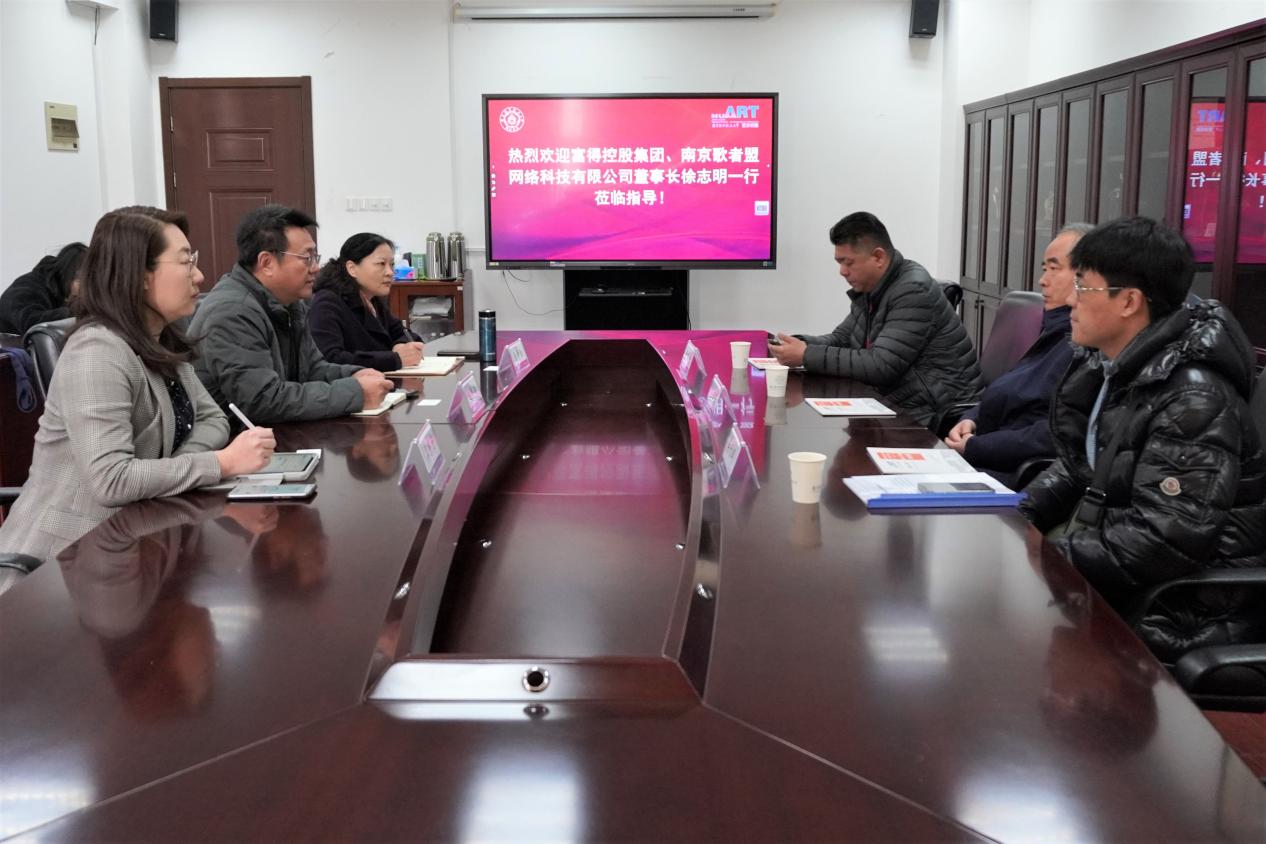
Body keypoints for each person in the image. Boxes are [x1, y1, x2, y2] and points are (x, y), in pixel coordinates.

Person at [1020, 216, 1266, 663]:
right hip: (1125, 576)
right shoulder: (1120, 367)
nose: (1071, 300)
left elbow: (1162, 540)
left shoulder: (1193, 399)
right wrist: (1019, 514)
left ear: (1130, 301)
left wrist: (1050, 554)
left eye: (1084, 287)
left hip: (1177, 611)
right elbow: (1084, 465)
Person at [0, 209, 276, 568]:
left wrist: (173, 468)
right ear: (140, 276)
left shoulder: (158, 339)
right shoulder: (96, 352)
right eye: (186, 262)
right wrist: (220, 463)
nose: (199, 275)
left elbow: (213, 419)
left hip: (139, 536)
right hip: (66, 560)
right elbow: (112, 480)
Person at [770, 211, 982, 429]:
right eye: (839, 263)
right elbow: (842, 339)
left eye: (848, 263)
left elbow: (881, 365)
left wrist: (806, 354)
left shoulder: (912, 289)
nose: (842, 272)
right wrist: (798, 344)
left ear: (878, 257)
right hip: (898, 400)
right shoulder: (873, 287)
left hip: (938, 414)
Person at [189, 205, 393, 427]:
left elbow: (312, 369)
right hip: (233, 440)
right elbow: (262, 401)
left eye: (315, 257)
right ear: (267, 263)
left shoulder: (290, 303)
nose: (316, 267)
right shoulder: (232, 312)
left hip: (276, 433)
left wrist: (355, 375)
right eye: (307, 258)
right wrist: (355, 392)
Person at [943, 224, 1092, 487]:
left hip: (1013, 473)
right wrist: (971, 419)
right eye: (1044, 269)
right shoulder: (1054, 331)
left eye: (1054, 269)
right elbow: (1009, 393)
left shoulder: (1083, 345)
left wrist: (976, 447)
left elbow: (1051, 436)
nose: (1042, 280)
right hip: (985, 455)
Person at [308, 232, 424, 371]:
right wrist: (394, 359)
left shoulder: (372, 299)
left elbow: (404, 334)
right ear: (352, 268)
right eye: (381, 264)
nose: (390, 272)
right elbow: (331, 359)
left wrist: (401, 345)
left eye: (391, 264)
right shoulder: (327, 303)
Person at [0, 242, 87, 335]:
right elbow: (31, 322)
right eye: (82, 278)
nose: (86, 288)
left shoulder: (63, 291)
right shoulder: (28, 287)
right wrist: (77, 311)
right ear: (69, 274)